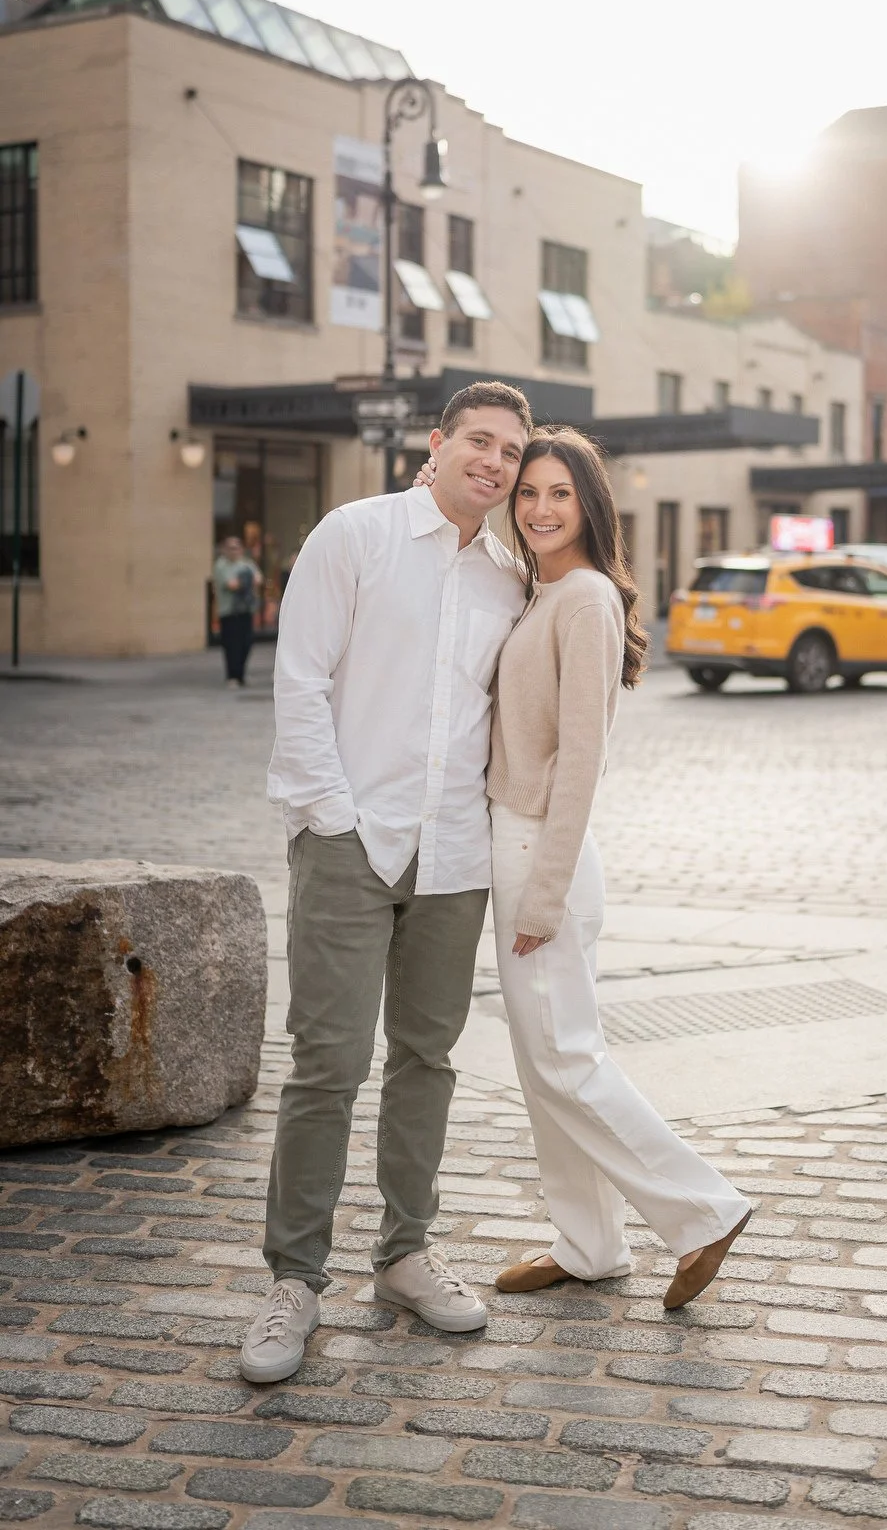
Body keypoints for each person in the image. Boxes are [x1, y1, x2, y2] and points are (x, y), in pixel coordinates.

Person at [239, 381, 532, 1385]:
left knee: (429, 1057)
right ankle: (294, 1280)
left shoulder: (510, 577)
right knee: (328, 1059)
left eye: (510, 453)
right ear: (438, 444)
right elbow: (300, 679)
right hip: (350, 844)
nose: (493, 464)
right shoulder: (353, 534)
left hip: (456, 855)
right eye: (479, 443)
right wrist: (336, 819)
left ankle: (405, 1252)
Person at [420, 427, 752, 1305]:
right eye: (526, 492)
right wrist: (437, 478)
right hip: (516, 843)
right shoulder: (543, 587)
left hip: (542, 850)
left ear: (590, 505)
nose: (537, 508)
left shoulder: (585, 600)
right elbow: (470, 542)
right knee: (544, 1061)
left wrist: (544, 891)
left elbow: (582, 760)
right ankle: (589, 1243)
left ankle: (703, 1209)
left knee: (565, 1057)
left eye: (559, 494)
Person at [212, 536, 262, 689]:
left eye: (237, 547)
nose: (235, 551)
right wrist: (246, 580)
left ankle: (241, 675)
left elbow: (258, 579)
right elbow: (231, 584)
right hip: (229, 612)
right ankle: (232, 676)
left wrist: (244, 581)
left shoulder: (247, 563)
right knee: (231, 645)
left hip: (246, 610)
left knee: (246, 644)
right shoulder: (221, 565)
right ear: (225, 550)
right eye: (231, 548)